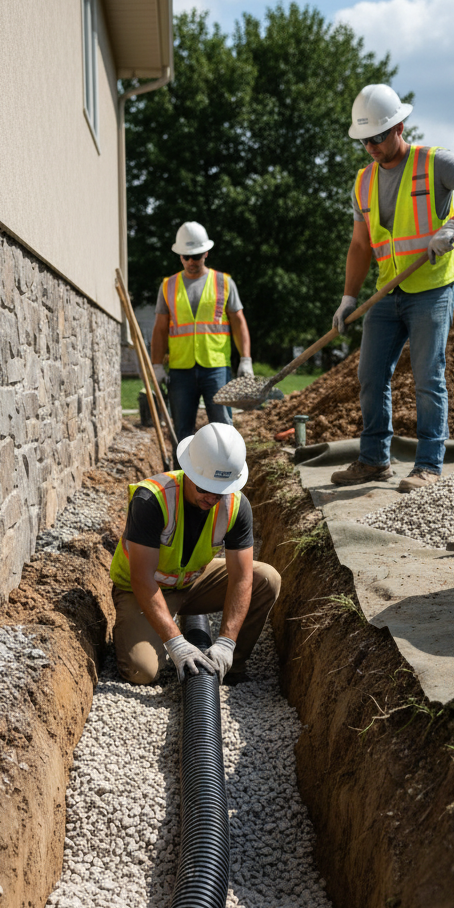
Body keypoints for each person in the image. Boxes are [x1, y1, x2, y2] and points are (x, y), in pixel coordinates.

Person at [329, 84, 454, 492]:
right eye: (364, 140)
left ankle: (428, 466)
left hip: (431, 289)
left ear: (399, 127)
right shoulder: (363, 182)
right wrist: (348, 296)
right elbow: (359, 244)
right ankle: (374, 461)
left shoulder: (433, 162)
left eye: (377, 137)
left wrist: (453, 224)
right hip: (386, 293)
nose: (370, 146)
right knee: (370, 375)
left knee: (428, 377)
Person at [109, 422, 281, 685]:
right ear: (188, 471)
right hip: (142, 589)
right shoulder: (152, 500)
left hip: (192, 583)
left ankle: (231, 666)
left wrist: (225, 643)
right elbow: (142, 578)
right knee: (141, 671)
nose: (212, 498)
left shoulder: (236, 505)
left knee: (266, 579)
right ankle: (135, 630)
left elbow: (242, 578)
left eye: (219, 491)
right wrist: (177, 644)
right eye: (204, 488)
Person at [151, 222, 253, 446]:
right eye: (185, 257)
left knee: (223, 427)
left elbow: (238, 322)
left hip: (215, 368)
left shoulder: (224, 282)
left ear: (206, 252)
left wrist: (245, 359)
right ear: (179, 256)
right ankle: (184, 480)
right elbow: (159, 329)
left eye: (196, 256)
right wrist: (157, 364)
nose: (191, 262)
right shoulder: (168, 285)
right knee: (182, 432)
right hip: (180, 370)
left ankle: (224, 477)